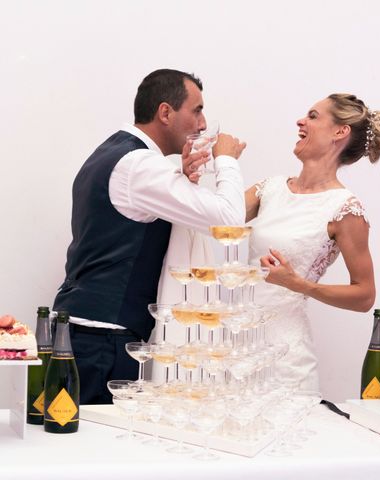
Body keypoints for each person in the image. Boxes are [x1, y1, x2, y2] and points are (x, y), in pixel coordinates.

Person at [53, 69, 247, 404]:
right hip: (103, 340)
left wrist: (185, 181)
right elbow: (227, 220)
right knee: (99, 449)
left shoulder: (114, 154)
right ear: (165, 113)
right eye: (197, 110)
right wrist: (227, 160)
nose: (203, 124)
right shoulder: (141, 166)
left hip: (83, 330)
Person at [245, 93, 380, 391]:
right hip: (237, 350)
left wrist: (301, 285)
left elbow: (365, 296)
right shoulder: (270, 189)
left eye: (313, 116)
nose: (300, 121)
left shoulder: (344, 208)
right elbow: (214, 219)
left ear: (340, 132)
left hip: (285, 358)